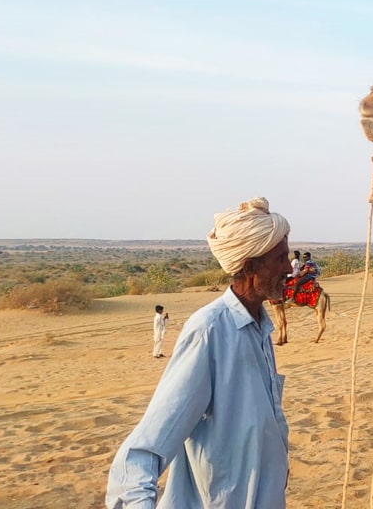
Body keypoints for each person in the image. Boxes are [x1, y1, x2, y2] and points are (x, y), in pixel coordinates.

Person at [106, 197, 291, 508]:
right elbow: (144, 450)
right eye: (281, 259)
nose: (289, 267)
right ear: (250, 267)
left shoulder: (260, 327)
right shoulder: (209, 331)